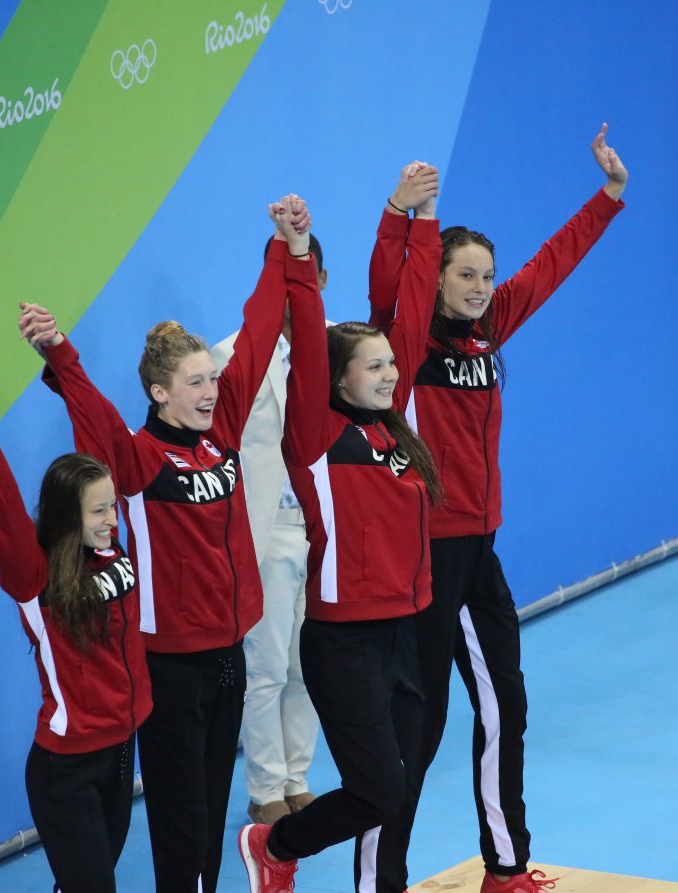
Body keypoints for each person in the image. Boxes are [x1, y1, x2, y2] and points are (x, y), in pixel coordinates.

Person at [17, 194, 315, 893]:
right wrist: (59, 351)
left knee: (211, 806)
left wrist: (286, 248)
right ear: (158, 391)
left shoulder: (224, 433)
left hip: (225, 654)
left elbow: (260, 324)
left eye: (212, 378)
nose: (212, 390)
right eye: (195, 382)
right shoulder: (141, 460)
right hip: (171, 666)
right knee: (179, 816)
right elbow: (91, 412)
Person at [367, 124, 629, 893]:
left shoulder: (489, 331)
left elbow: (550, 267)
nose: (480, 287)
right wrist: (402, 214)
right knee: (419, 722)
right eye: (465, 276)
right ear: (438, 279)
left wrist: (608, 197)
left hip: (480, 548)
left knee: (504, 702)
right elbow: (389, 288)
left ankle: (506, 865)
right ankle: (384, 876)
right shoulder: (408, 345)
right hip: (425, 555)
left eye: (485, 276)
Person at [237, 163, 442, 893]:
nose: (389, 375)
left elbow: (414, 311)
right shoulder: (318, 437)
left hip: (403, 631)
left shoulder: (393, 433)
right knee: (376, 791)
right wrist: (295, 254)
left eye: (391, 365)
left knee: (402, 784)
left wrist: (417, 221)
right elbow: (305, 323)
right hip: (344, 639)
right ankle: (275, 842)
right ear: (338, 378)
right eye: (373, 366)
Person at [0, 356, 152, 893]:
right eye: (98, 512)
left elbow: (96, 441)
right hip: (68, 768)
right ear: (66, 515)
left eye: (112, 508)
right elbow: (5, 509)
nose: (112, 520)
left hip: (121, 749)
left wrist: (63, 358)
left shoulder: (112, 552)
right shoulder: (33, 575)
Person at [209, 235, 331, 827]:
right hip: (262, 532)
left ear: (319, 283)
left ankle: (297, 778)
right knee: (267, 669)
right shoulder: (229, 357)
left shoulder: (335, 351)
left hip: (319, 528)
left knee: (308, 665)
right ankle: (265, 790)